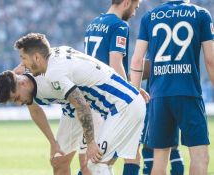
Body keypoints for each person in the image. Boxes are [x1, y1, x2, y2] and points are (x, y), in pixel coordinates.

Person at [11, 33, 147, 175]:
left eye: (23, 58)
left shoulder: (54, 73)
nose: (22, 64)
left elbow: (82, 106)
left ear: (37, 57)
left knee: (96, 165)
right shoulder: (57, 54)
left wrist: (91, 143)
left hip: (123, 107)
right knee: (103, 163)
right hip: (128, 101)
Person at [130, 0, 214, 174]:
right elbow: (211, 61)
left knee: (159, 161)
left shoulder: (149, 17)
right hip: (188, 93)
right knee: (200, 157)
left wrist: (134, 92)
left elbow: (137, 60)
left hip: (158, 96)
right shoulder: (201, 14)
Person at [84, 0, 143, 174]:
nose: (134, 13)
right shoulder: (119, 26)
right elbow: (115, 63)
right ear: (126, 3)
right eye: (135, 7)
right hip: (110, 99)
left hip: (92, 96)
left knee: (97, 157)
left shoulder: (93, 23)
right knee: (125, 154)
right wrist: (131, 92)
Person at [10, 66, 99, 175]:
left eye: (17, 98)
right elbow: (35, 111)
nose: (19, 103)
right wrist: (53, 143)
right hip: (69, 112)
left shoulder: (42, 69)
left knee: (88, 164)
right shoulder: (24, 82)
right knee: (58, 162)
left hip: (88, 106)